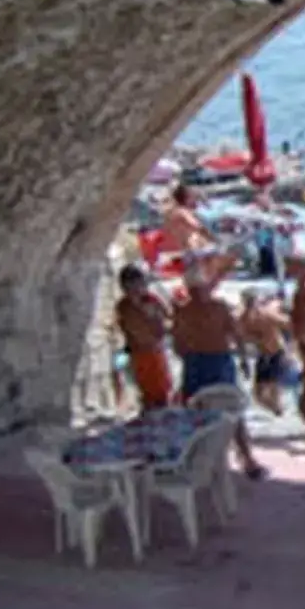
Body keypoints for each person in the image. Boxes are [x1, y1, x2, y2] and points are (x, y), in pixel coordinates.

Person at [171, 266, 264, 477]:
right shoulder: (185, 311)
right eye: (194, 290)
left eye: (201, 288)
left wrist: (242, 359)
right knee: (194, 409)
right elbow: (178, 342)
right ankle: (195, 455)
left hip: (218, 360)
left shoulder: (218, 308)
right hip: (198, 362)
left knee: (232, 408)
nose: (199, 293)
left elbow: (236, 334)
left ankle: (246, 457)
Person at [114, 265, 175, 411]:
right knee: (145, 390)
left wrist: (154, 317)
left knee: (162, 390)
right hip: (138, 353)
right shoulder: (124, 306)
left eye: (140, 285)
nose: (137, 290)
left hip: (155, 350)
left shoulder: (152, 301)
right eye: (131, 286)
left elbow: (166, 320)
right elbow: (127, 327)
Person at [237, 289, 293, 415]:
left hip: (277, 353)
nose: (251, 307)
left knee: (273, 391)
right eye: (248, 303)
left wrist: (291, 349)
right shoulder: (242, 320)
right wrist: (243, 361)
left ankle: (281, 413)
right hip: (263, 355)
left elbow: (290, 325)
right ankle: (278, 411)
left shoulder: (267, 315)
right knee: (258, 395)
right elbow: (240, 341)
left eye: (252, 303)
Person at [163, 183, 211, 257]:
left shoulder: (172, 214)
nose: (196, 200)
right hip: (195, 246)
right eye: (193, 197)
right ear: (186, 198)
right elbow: (197, 226)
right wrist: (211, 237)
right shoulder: (183, 212)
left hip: (184, 249)